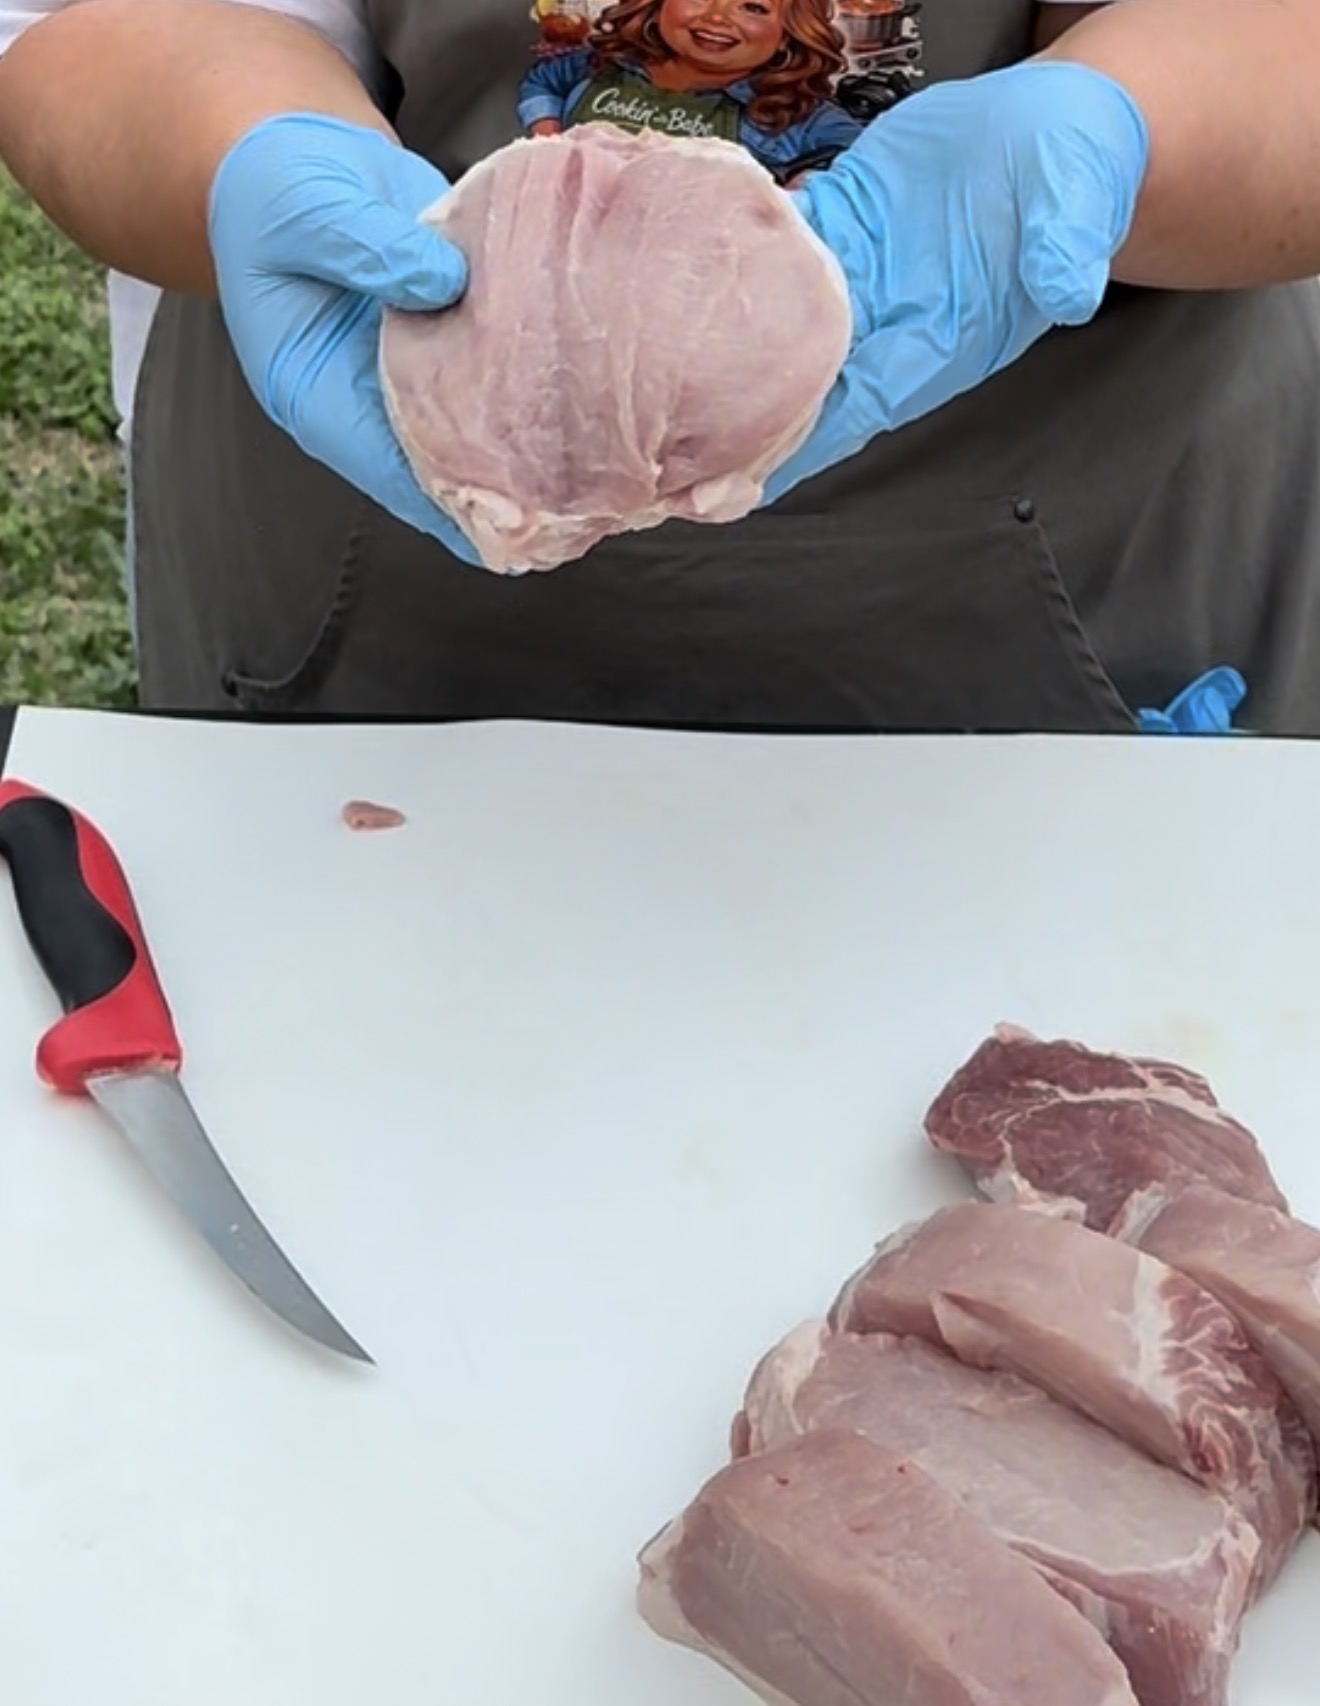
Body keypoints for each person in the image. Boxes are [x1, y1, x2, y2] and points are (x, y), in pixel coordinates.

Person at [0, 0, 1318, 735]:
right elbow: (110, 32)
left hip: (1063, 615)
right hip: (381, 616)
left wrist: (1120, 131)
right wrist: (239, 143)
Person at [516, 0, 864, 182]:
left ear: (789, 33)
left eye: (753, 7)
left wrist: (802, 189)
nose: (717, 18)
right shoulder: (607, 62)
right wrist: (549, 142)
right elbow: (544, 81)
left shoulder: (797, 113)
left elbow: (869, 165)